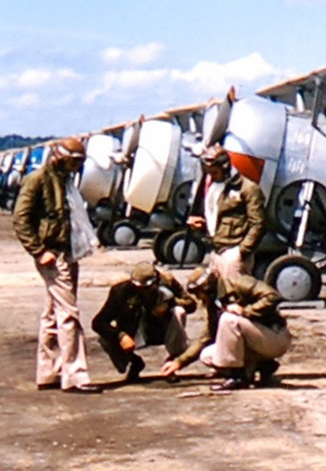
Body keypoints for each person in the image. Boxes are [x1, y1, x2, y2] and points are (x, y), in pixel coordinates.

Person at [12, 136, 100, 393]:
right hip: (53, 255)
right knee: (68, 314)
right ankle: (75, 375)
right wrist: (39, 252)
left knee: (52, 315)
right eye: (74, 161)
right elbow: (21, 219)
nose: (77, 166)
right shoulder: (38, 180)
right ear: (60, 157)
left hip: (67, 252)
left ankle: (48, 372)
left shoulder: (65, 182)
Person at [161, 269, 290, 390]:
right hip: (256, 340)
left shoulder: (239, 283)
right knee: (207, 355)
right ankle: (262, 365)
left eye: (198, 294)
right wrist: (179, 362)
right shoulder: (214, 304)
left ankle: (237, 377)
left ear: (207, 289)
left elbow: (273, 296)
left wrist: (246, 311)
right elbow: (207, 337)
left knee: (228, 319)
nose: (199, 299)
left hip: (275, 336)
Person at [91, 261, 195, 383]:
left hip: (162, 329)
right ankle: (134, 362)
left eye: (147, 288)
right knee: (105, 338)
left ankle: (172, 362)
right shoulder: (120, 292)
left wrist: (170, 304)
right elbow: (98, 322)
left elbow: (191, 304)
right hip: (135, 331)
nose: (143, 291)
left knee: (179, 311)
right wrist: (120, 336)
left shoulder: (167, 281)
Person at [188, 145, 266, 281]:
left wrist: (241, 251)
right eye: (208, 172)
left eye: (215, 172)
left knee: (235, 297)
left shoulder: (248, 189)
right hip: (215, 249)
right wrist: (201, 226)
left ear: (225, 168)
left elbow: (258, 224)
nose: (211, 176)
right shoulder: (212, 187)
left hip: (233, 253)